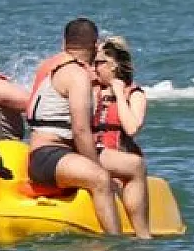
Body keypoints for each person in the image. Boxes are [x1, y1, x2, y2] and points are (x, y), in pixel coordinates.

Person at [27, 18, 130, 236]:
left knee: (133, 165)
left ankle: (141, 232)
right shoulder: (77, 76)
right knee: (100, 179)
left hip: (63, 152)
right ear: (95, 45)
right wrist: (99, 169)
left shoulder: (55, 66)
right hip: (47, 156)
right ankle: (115, 241)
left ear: (64, 43)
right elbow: (81, 131)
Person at [93, 35, 151, 238]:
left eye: (100, 62)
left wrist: (118, 94)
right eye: (94, 62)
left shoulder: (133, 94)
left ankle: (142, 234)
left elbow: (132, 128)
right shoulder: (90, 89)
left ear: (114, 66)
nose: (95, 67)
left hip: (119, 158)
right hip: (94, 155)